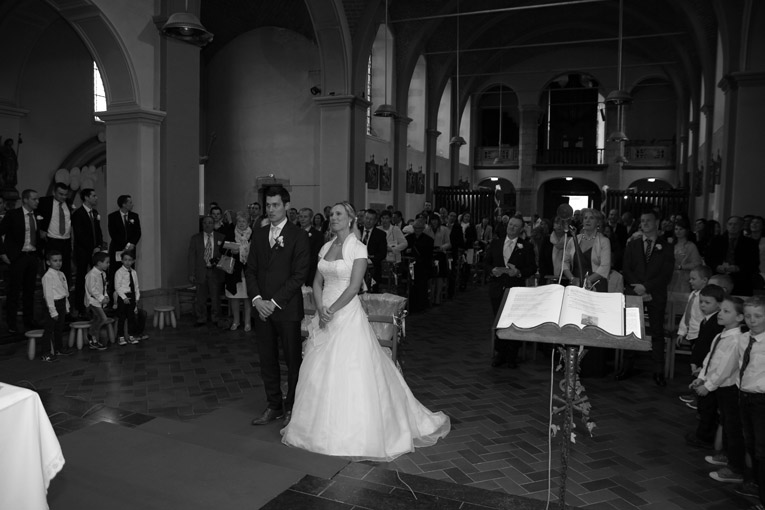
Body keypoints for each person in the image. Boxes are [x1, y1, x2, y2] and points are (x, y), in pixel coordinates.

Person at [282, 202, 450, 460]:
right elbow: (316, 281)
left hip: (345, 313)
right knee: (317, 367)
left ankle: (353, 430)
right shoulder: (326, 247)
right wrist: (320, 307)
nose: (333, 217)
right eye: (332, 214)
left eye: (339, 214)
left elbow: (353, 287)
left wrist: (331, 310)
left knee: (350, 367)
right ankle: (313, 427)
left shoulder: (358, 248)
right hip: (325, 312)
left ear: (350, 219)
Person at [246, 187, 309, 427]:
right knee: (267, 359)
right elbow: (251, 270)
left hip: (287, 308)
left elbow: (299, 275)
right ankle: (274, 405)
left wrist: (273, 303)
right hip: (262, 309)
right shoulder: (259, 234)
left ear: (286, 206)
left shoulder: (298, 235)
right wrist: (257, 300)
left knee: (292, 361)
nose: (271, 210)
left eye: (275, 205)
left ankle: (292, 406)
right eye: (268, 205)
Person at [619, 208, 674, 386]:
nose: (645, 224)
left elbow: (666, 273)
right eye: (642, 221)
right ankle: (627, 366)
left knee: (657, 332)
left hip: (655, 293)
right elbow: (626, 268)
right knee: (631, 330)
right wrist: (638, 288)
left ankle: (658, 370)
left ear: (657, 223)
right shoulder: (633, 244)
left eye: (648, 220)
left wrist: (647, 287)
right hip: (634, 292)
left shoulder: (666, 246)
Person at [695, 296, 747, 483]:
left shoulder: (736, 339)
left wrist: (709, 386)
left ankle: (735, 467)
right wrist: (702, 377)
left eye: (726, 311)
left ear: (740, 317)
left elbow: (727, 367)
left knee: (732, 427)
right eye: (721, 310)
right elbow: (710, 358)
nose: (720, 314)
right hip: (719, 386)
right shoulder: (721, 335)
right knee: (724, 421)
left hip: (729, 388)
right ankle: (726, 454)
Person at [484, 216, 537, 369]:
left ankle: (512, 354)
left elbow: (532, 267)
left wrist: (519, 272)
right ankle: (500, 353)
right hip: (497, 287)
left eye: (516, 226)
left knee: (513, 321)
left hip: (515, 289)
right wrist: (492, 270)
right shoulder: (496, 243)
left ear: (521, 230)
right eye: (510, 224)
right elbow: (486, 263)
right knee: (499, 320)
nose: (512, 227)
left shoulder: (526, 246)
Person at [684, 284, 725, 448]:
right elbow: (700, 344)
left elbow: (712, 349)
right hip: (701, 367)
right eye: (701, 302)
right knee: (703, 404)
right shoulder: (706, 320)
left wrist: (703, 367)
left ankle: (705, 436)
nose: (702, 305)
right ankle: (703, 431)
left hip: (708, 369)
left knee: (708, 406)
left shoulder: (717, 323)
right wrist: (694, 361)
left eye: (707, 302)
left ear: (719, 304)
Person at [737, 295, 765, 508]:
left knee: (762, 448)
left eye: (758, 316)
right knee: (751, 442)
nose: (752, 320)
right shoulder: (743, 338)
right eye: (748, 316)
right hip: (745, 395)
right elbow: (741, 365)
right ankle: (755, 483)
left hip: (762, 399)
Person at [0, 189, 42, 333]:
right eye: (34, 199)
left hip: (32, 255)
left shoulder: (37, 215)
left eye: (37, 199)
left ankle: (29, 320)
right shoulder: (13, 215)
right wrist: (2, 253)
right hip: (18, 257)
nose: (37, 201)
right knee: (14, 291)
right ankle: (11, 323)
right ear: (25, 200)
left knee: (30, 291)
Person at [71, 188, 104, 319]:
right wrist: (92, 248)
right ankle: (80, 307)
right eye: (93, 196)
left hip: (95, 251)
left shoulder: (94, 213)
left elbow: (98, 231)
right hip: (83, 251)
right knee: (81, 279)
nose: (96, 198)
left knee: (97, 278)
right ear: (86, 197)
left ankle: (96, 305)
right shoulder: (78, 214)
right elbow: (80, 235)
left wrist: (99, 245)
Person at [188, 216, 226, 327]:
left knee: (215, 297)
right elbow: (191, 257)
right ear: (202, 224)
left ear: (213, 224)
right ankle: (201, 318)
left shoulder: (221, 237)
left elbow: (225, 255)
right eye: (205, 223)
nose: (207, 225)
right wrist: (191, 273)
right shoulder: (195, 238)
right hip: (201, 271)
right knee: (200, 297)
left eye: (210, 222)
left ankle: (216, 318)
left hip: (215, 271)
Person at [562, 208, 611, 292]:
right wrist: (572, 278)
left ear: (598, 222)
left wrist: (585, 281)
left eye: (591, 218)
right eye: (585, 218)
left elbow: (605, 267)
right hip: (575, 285)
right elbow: (564, 262)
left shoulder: (604, 241)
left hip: (596, 285)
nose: (587, 220)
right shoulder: (573, 240)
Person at [38, 182, 73, 288]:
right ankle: (51, 290)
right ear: (54, 192)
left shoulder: (68, 203)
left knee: (66, 267)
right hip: (52, 240)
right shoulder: (45, 202)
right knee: (52, 267)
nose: (63, 197)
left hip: (66, 241)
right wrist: (41, 229)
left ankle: (65, 290)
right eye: (60, 194)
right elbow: (36, 215)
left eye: (65, 194)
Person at [41, 250, 72, 362]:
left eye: (60, 260)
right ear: (48, 262)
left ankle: (59, 348)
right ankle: (46, 353)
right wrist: (53, 311)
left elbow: (65, 291)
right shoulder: (47, 276)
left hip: (62, 303)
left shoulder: (61, 274)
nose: (58, 263)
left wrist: (66, 305)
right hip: (53, 304)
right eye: (55, 261)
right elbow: (48, 295)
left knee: (59, 328)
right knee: (49, 330)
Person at [108, 194, 141, 290]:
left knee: (129, 271)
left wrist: (132, 244)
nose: (132, 204)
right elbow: (113, 233)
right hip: (118, 248)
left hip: (130, 249)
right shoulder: (112, 216)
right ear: (124, 204)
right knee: (116, 271)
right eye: (130, 202)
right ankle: (114, 294)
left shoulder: (134, 216)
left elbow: (137, 232)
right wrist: (125, 245)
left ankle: (130, 292)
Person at [403, 218, 434, 312]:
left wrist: (413, 251)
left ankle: (421, 306)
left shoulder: (428, 240)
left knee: (421, 286)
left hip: (422, 267)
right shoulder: (408, 238)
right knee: (410, 285)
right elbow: (404, 250)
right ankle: (410, 305)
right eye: (415, 228)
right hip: (409, 266)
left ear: (423, 228)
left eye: (419, 228)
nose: (417, 230)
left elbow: (427, 255)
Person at [114, 250, 142, 344]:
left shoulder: (134, 272)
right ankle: (121, 337)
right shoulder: (119, 272)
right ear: (122, 260)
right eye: (125, 260)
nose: (127, 262)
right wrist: (124, 297)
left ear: (133, 261)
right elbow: (117, 287)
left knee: (131, 317)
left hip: (132, 295)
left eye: (130, 260)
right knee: (122, 318)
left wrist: (137, 298)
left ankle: (131, 336)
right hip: (123, 296)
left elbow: (136, 286)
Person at [669, 217, 702, 294]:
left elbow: (697, 263)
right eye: (676, 229)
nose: (678, 231)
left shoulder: (691, 246)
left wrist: (681, 267)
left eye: (681, 229)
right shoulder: (671, 245)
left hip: (684, 279)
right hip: (670, 279)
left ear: (686, 230)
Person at [85, 251, 110, 351]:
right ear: (99, 263)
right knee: (103, 318)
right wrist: (101, 298)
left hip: (99, 302)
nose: (108, 264)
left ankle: (94, 340)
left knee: (97, 319)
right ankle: (91, 335)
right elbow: (92, 290)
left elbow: (104, 287)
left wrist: (106, 296)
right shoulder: (91, 275)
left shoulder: (103, 274)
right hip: (93, 302)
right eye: (106, 262)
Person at [425, 214, 451, 305]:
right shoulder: (426, 229)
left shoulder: (444, 229)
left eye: (436, 220)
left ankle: (438, 297)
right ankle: (431, 296)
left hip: (440, 253)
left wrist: (442, 247)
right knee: (431, 276)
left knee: (440, 275)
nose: (434, 222)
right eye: (432, 220)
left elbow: (448, 243)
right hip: (430, 253)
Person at [359, 209, 387, 293]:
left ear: (375, 221)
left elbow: (382, 253)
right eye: (367, 218)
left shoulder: (380, 234)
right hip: (356, 268)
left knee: (372, 293)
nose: (368, 221)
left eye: (371, 219)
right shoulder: (356, 231)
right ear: (364, 218)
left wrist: (369, 261)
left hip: (373, 269)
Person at [450, 211, 477, 291]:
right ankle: (457, 282)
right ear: (463, 217)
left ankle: (464, 283)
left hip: (469, 247)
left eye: (468, 217)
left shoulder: (472, 226)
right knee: (459, 266)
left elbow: (474, 237)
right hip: (459, 247)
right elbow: (453, 236)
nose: (467, 218)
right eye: (465, 216)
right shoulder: (457, 225)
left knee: (467, 265)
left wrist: (468, 240)